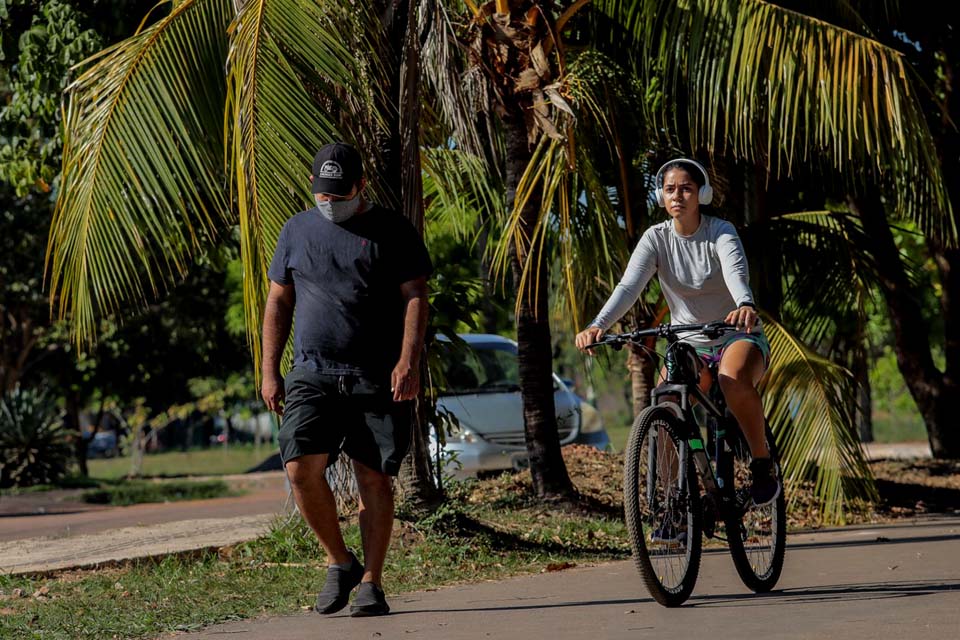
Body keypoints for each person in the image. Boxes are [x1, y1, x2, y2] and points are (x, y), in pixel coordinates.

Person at [261, 142, 431, 617]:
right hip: (312, 373)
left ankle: (372, 582)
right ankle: (340, 561)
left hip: (376, 376)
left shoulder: (391, 230)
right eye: (323, 195)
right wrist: (268, 369)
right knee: (299, 468)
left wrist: (408, 360)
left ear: (360, 187)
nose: (330, 203)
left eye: (339, 194)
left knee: (373, 479)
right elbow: (278, 302)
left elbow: (415, 294)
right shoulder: (295, 230)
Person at [574, 158, 780, 509]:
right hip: (689, 342)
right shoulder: (656, 239)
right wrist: (598, 325)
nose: (678, 196)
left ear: (702, 194)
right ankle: (673, 501)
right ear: (661, 197)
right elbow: (628, 287)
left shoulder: (720, 231)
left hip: (736, 334)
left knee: (731, 379)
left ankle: (762, 465)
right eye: (670, 189)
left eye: (686, 188)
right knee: (666, 402)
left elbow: (735, 271)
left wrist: (744, 303)